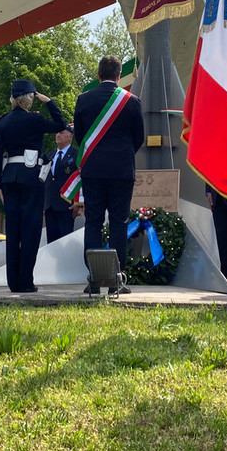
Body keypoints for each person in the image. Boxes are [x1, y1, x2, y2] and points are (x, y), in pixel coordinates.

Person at [73, 55, 144, 294]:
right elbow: (139, 138)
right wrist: (122, 156)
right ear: (117, 76)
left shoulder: (84, 100)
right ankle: (116, 279)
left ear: (98, 75)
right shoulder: (132, 100)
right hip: (122, 171)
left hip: (93, 171)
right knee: (118, 222)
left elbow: (81, 137)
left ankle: (93, 278)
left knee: (92, 221)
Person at [0, 80, 66, 292]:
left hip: (9, 179)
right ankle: (25, 281)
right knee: (31, 231)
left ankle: (13, 282)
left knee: (13, 231)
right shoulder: (35, 120)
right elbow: (60, 124)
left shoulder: (3, 121)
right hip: (31, 178)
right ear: (29, 98)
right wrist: (49, 102)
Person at [43, 126, 78, 244]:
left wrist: (77, 203)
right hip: (50, 206)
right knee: (51, 243)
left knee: (65, 241)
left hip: (66, 206)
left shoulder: (76, 155)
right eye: (57, 132)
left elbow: (80, 179)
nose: (58, 135)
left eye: (62, 132)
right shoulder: (50, 155)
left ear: (70, 136)